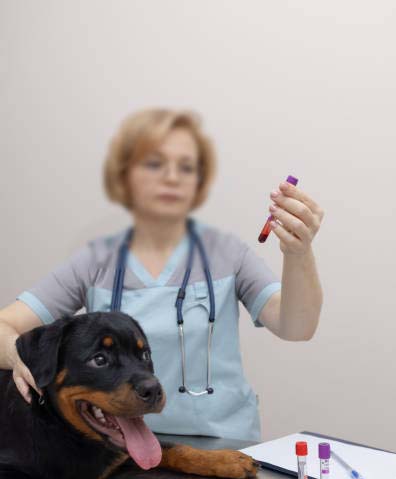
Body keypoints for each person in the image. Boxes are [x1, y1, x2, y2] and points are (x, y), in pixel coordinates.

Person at [0, 108, 324, 442]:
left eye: (186, 167)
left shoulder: (228, 254)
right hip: (123, 448)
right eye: (154, 164)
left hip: (225, 449)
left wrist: (299, 254)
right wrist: (17, 355)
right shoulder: (95, 262)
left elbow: (297, 327)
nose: (172, 177)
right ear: (125, 176)